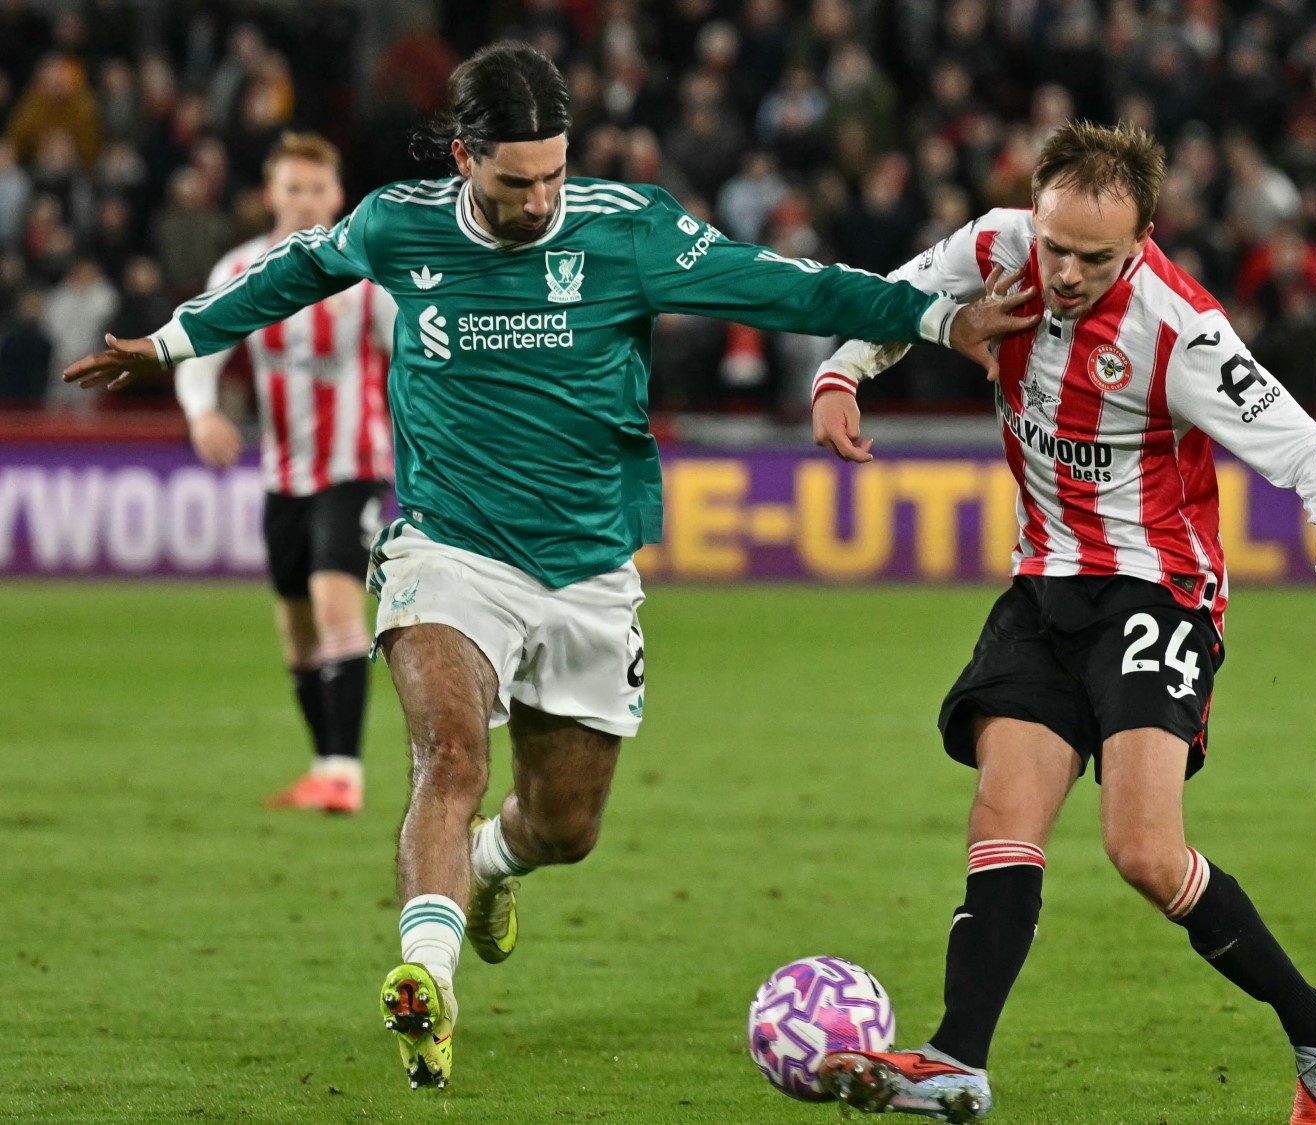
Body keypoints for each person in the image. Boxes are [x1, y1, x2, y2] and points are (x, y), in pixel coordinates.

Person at [61, 41, 1036, 1091]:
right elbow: (297, 267)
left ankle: (492, 864)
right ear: (463, 157)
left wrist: (932, 318)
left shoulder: (626, 229)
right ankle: (427, 981)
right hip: (448, 547)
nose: (539, 201)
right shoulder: (400, 225)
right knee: (448, 755)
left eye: (554, 176)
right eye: (516, 181)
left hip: (587, 567)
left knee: (564, 826)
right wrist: (171, 345)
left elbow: (780, 287)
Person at [806, 121, 1316, 1125]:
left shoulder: (1182, 329)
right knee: (1002, 813)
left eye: (1095, 258)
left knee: (1143, 852)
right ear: (1033, 216)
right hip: (1044, 586)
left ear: (1142, 239)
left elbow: (1307, 450)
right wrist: (841, 372)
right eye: (1056, 247)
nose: (1067, 274)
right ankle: (956, 1059)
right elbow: (895, 299)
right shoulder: (997, 246)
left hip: (1158, 590)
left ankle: (1315, 1023)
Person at [174, 132, 396, 815]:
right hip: (283, 474)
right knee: (296, 630)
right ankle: (326, 765)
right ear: (271, 194)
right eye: (292, 188)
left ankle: (344, 774)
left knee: (335, 602)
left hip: (355, 464)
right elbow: (199, 349)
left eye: (316, 189)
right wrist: (202, 413)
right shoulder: (241, 268)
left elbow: (413, 354)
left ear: (337, 195)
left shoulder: (366, 274)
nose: (303, 200)